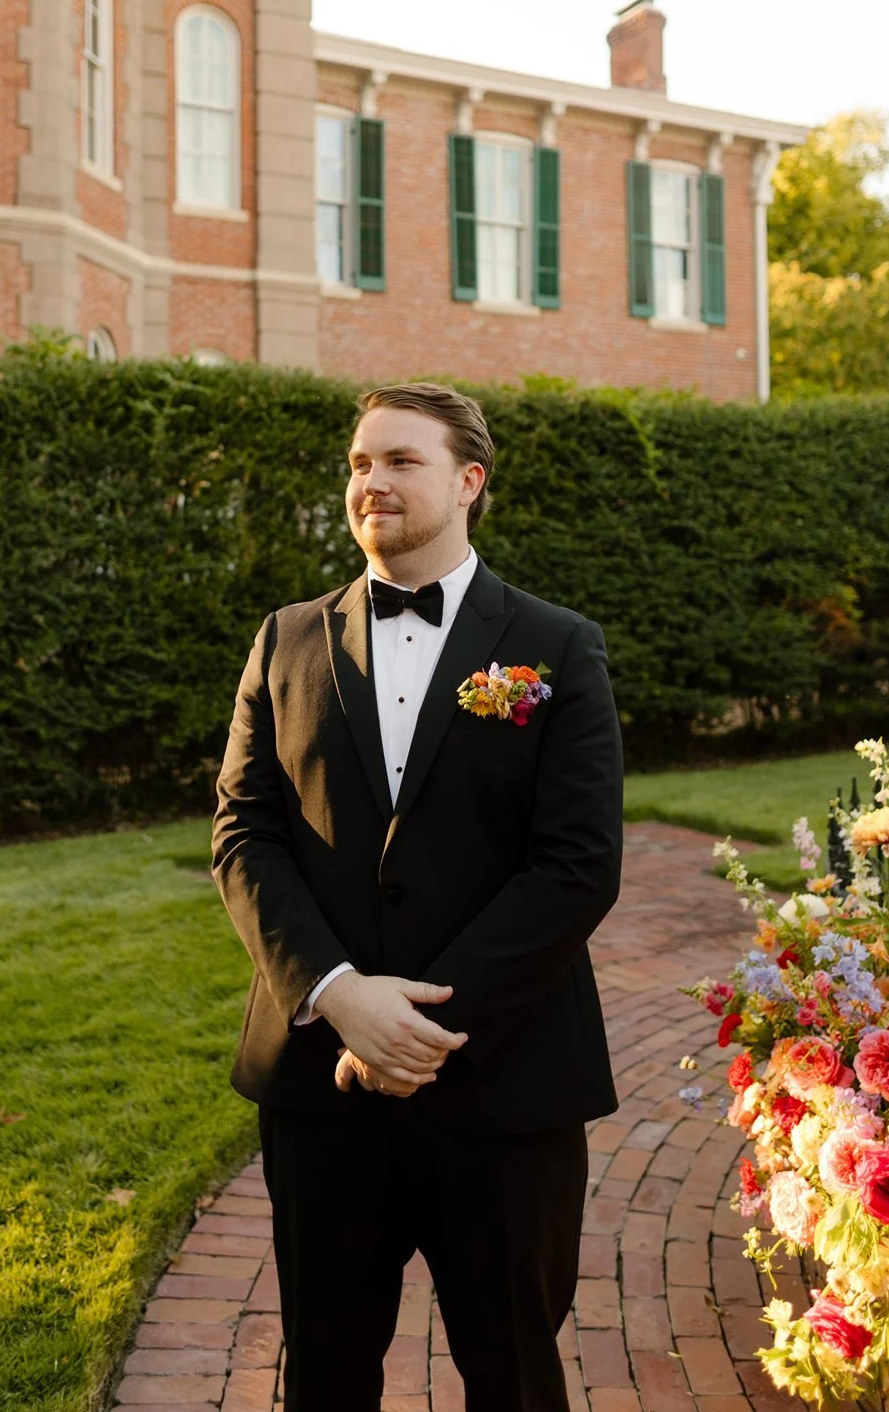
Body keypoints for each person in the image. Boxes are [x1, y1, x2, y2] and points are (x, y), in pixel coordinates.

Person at [211, 381, 624, 1412]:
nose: (372, 482)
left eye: (400, 461)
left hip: (504, 1084)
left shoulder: (556, 645)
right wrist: (338, 992)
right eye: (359, 463)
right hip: (322, 1085)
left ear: (468, 481)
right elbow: (243, 834)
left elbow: (575, 863)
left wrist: (419, 1024)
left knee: (516, 1371)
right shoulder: (284, 639)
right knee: (325, 1370)